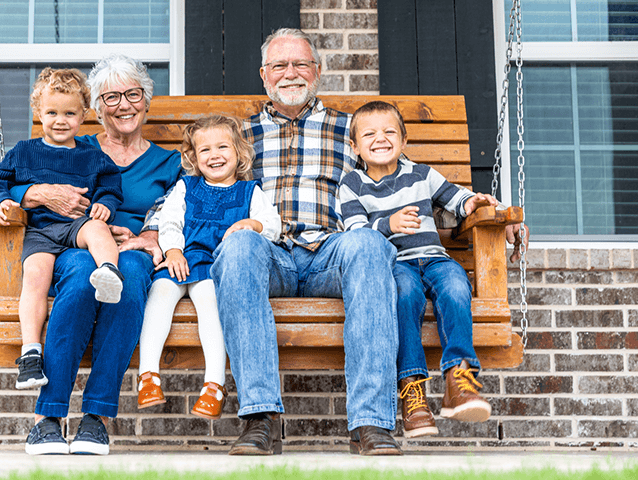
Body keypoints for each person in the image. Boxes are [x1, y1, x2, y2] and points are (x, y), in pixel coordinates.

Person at [212, 28, 530, 456]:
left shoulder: (354, 130)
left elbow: (413, 188)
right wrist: (158, 232)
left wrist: (482, 208)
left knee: (365, 243)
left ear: (318, 71)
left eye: (301, 63)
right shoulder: (238, 136)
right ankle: (260, 418)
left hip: (334, 250)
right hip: (269, 252)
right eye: (280, 66)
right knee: (236, 248)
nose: (291, 73)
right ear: (264, 76)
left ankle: (371, 422)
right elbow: (197, 194)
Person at [8, 55, 181, 455]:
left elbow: (180, 207)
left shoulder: (168, 161)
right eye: (111, 97)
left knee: (131, 277)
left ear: (146, 99)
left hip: (134, 247)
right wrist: (31, 194)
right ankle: (47, 417)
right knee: (84, 278)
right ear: (95, 108)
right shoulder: (74, 146)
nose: (124, 104)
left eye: (132, 94)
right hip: (74, 243)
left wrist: (150, 234)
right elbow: (21, 176)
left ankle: (95, 418)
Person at [339, 101, 496, 440]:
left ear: (404, 140)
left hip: (435, 258)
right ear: (354, 146)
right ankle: (413, 391)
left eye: (389, 132)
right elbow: (354, 233)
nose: (380, 139)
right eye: (369, 134)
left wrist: (475, 203)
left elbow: (456, 199)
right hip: (395, 265)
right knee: (403, 296)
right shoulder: (352, 185)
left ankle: (459, 377)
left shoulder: (422, 175)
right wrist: (388, 223)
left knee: (456, 285)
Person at [0, 68, 125, 391]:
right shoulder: (24, 151)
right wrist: (3, 201)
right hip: (40, 231)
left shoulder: (91, 155)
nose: (60, 120)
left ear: (83, 115)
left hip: (77, 226)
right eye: (52, 113)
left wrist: (105, 203)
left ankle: (108, 272)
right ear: (38, 112)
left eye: (69, 113)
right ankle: (31, 353)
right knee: (34, 278)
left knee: (99, 229)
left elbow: (112, 184)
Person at [137, 115, 281, 420]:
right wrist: (173, 249)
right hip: (180, 259)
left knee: (211, 304)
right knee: (159, 295)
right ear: (193, 157)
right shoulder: (185, 187)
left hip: (214, 266)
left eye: (222, 147)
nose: (214, 155)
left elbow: (273, 225)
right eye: (205, 150)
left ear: (239, 152)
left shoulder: (249, 192)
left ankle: (213, 384)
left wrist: (252, 224)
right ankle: (147, 376)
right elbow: (170, 219)